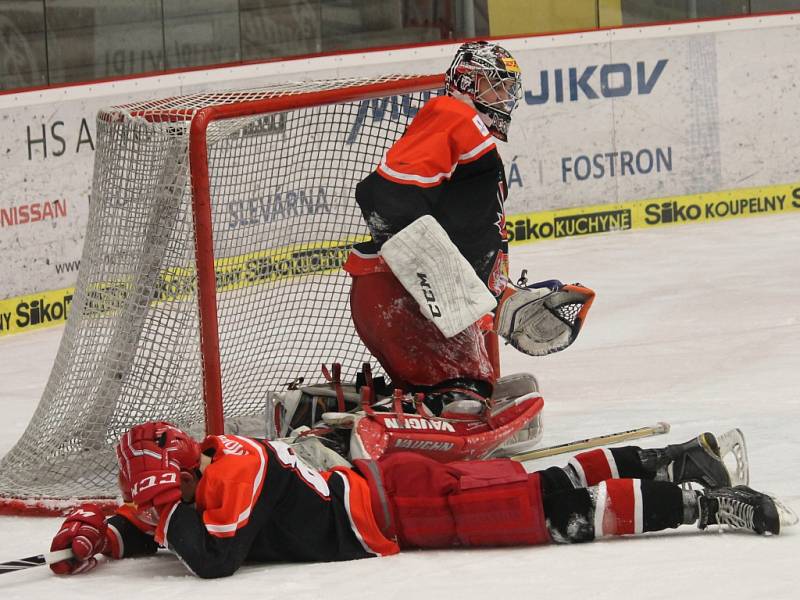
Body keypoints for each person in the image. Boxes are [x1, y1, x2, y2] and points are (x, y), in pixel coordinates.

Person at [49, 421, 796, 578]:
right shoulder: (207, 473)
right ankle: (679, 460)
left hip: (404, 508)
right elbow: (179, 525)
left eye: (159, 495)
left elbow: (213, 555)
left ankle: (703, 503)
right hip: (397, 488)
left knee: (555, 515)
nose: (159, 504)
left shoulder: (235, 464)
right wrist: (109, 536)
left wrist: (154, 515)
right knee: (545, 485)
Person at [342, 41, 595, 427]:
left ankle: (387, 400)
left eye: (508, 88)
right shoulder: (451, 114)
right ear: (464, 82)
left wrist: (498, 293)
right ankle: (385, 417)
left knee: (473, 389)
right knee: (462, 401)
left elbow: (463, 228)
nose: (504, 97)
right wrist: (455, 286)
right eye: (494, 85)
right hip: (401, 300)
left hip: (410, 303)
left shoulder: (467, 129)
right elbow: (383, 197)